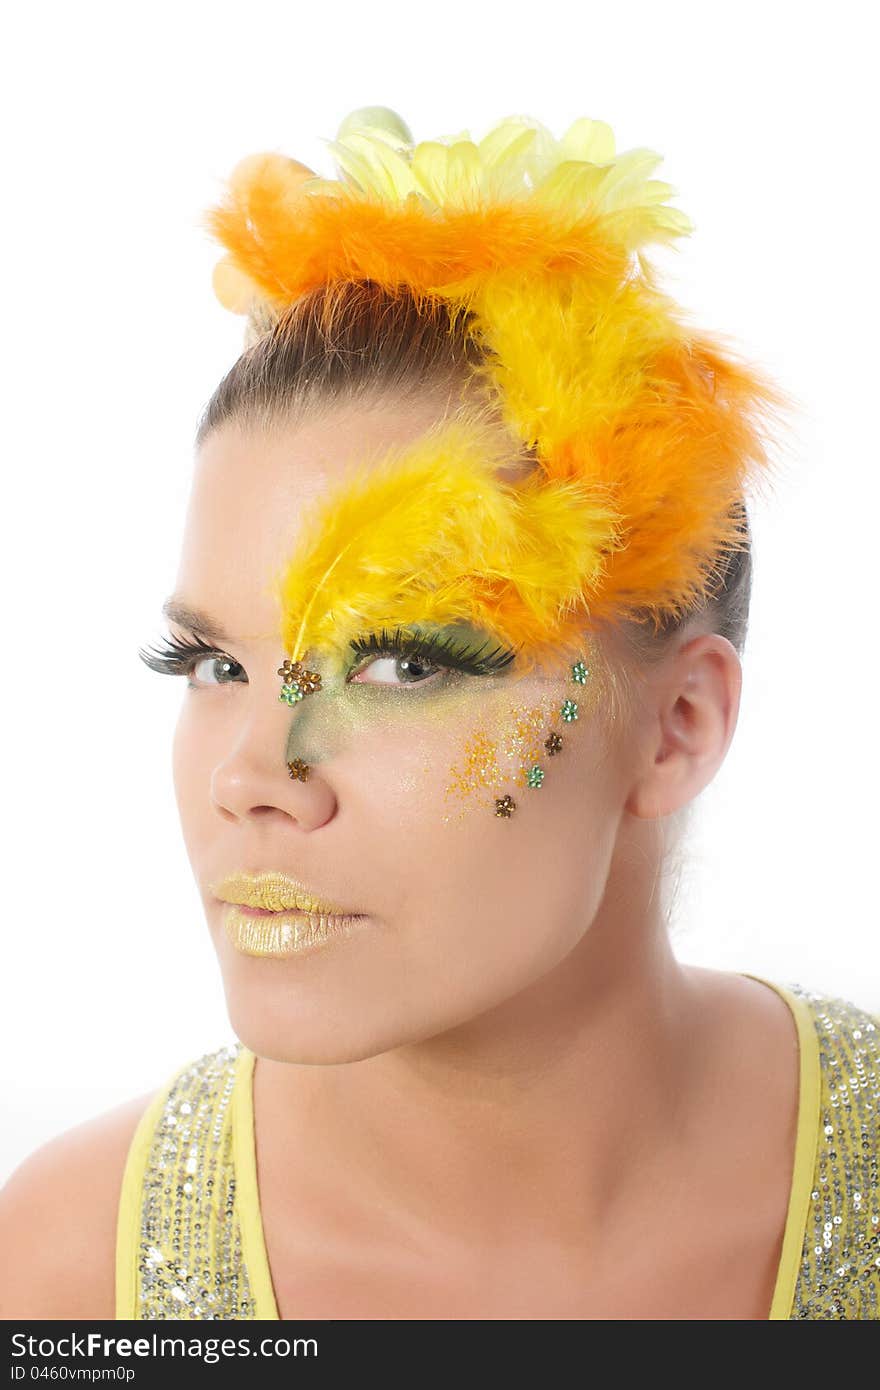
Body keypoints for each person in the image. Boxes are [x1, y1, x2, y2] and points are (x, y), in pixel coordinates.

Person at [1, 107, 877, 1323]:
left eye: (401, 665)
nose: (254, 774)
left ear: (675, 726)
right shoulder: (67, 1276)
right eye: (211, 664)